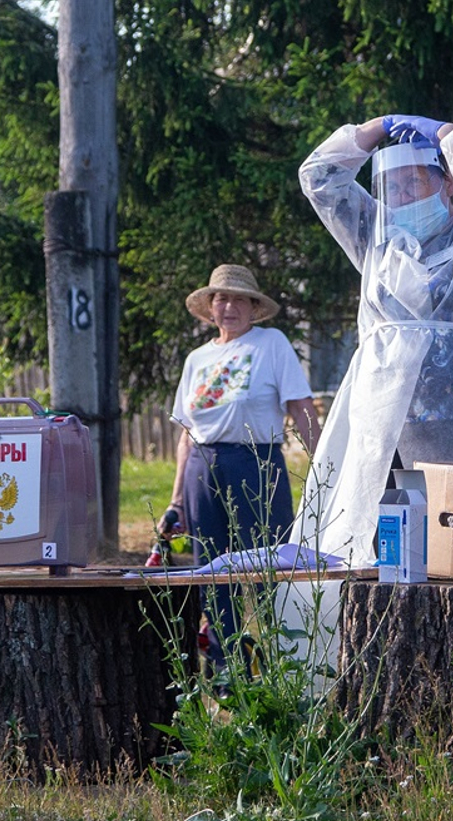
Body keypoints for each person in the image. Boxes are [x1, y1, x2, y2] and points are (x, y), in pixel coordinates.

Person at [292, 113, 453, 568]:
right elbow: (320, 179)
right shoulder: (379, 240)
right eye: (394, 188)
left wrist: (448, 136)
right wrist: (376, 129)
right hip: (388, 422)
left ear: (449, 183)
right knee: (388, 551)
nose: (403, 197)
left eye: (415, 183)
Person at [164, 264, 319, 670]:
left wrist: (323, 464)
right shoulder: (197, 359)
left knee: (270, 564)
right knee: (211, 571)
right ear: (210, 307)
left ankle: (284, 664)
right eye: (221, 299)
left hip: (255, 463)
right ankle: (226, 668)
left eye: (239, 300)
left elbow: (300, 407)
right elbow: (186, 434)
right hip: (202, 467)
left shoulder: (271, 344)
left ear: (253, 308)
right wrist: (177, 501)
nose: (229, 307)